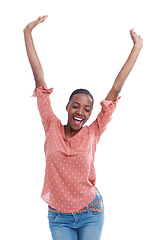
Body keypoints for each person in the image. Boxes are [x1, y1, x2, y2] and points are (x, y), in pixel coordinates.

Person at [24, 16, 143, 240]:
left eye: (87, 109)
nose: (81, 112)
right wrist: (27, 33)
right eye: (76, 106)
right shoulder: (51, 126)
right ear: (67, 107)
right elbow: (39, 77)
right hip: (59, 216)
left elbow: (116, 88)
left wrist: (137, 47)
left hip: (91, 211)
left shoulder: (93, 132)